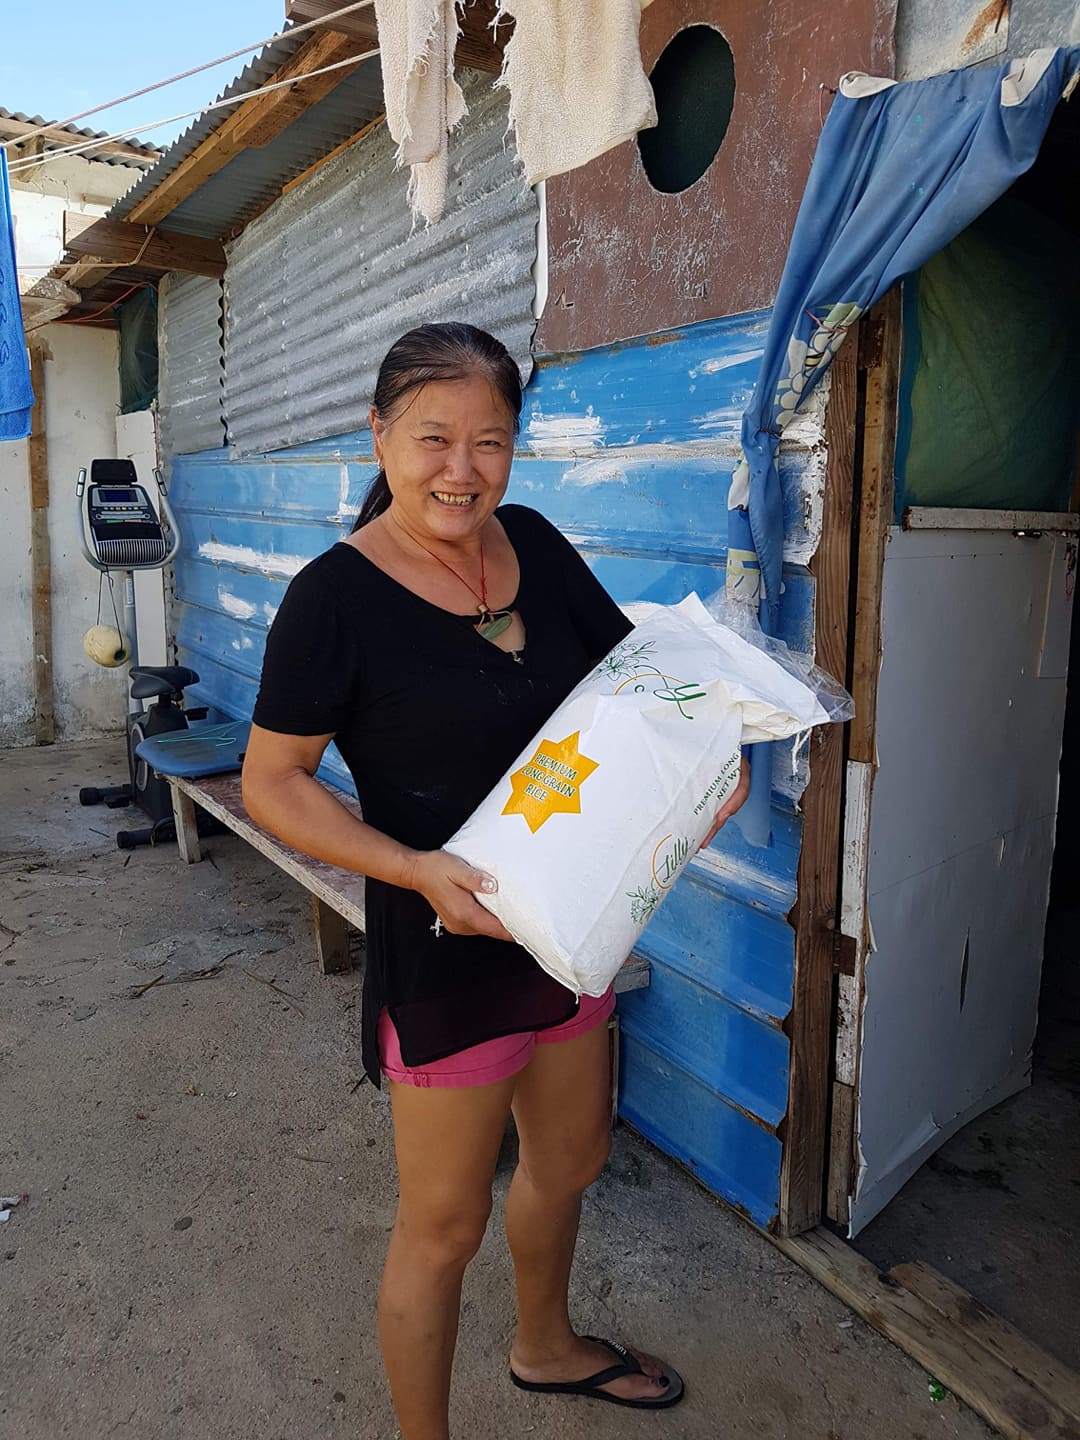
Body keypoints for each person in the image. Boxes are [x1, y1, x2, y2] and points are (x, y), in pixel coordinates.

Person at [242, 323, 750, 1439]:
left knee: (572, 1158)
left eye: (491, 441)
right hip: (446, 949)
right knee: (442, 1225)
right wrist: (414, 869)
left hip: (573, 924)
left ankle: (546, 1345)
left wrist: (707, 767)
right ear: (378, 436)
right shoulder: (335, 599)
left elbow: (634, 693)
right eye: (432, 438)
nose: (461, 470)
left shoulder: (535, 544)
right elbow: (274, 782)